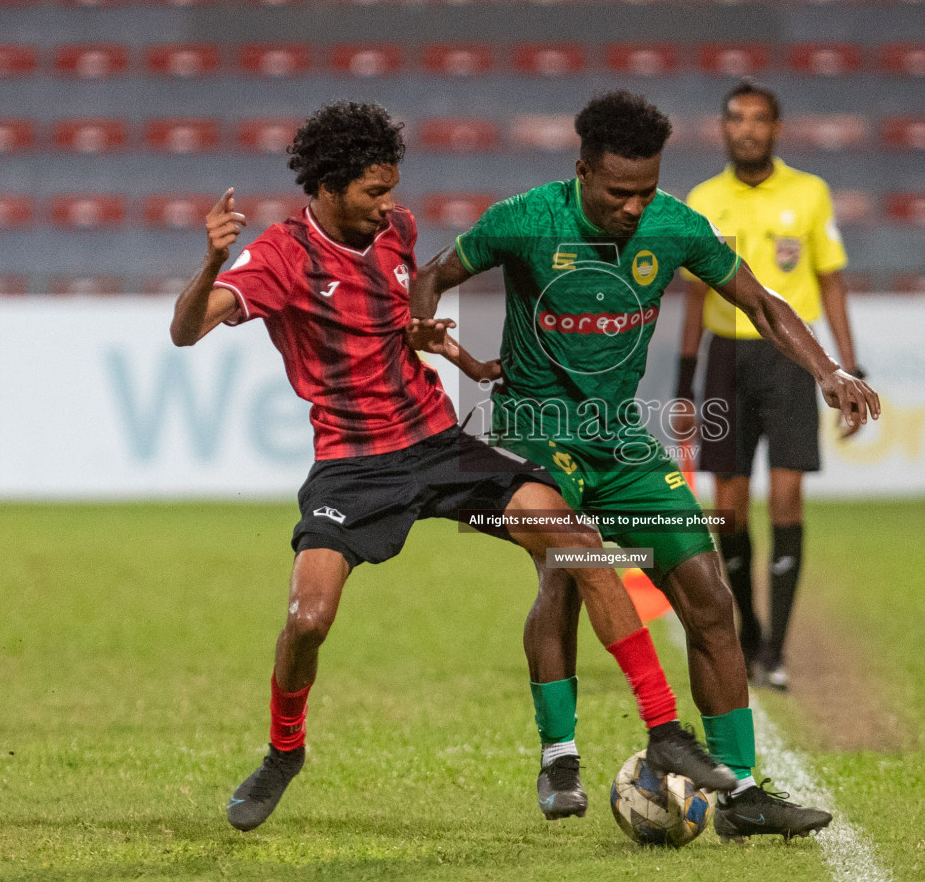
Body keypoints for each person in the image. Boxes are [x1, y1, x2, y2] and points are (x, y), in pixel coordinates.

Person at [169, 101, 736, 832]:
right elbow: (186, 332)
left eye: (392, 190)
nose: (391, 207)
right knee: (308, 619)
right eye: (375, 193)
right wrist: (213, 257)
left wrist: (456, 354)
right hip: (354, 464)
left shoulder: (397, 233)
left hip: (438, 442)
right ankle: (285, 753)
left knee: (578, 543)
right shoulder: (281, 257)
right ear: (331, 186)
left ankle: (664, 729)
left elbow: (401, 327)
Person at [411, 90, 880, 840]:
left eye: (646, 190)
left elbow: (760, 302)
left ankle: (742, 792)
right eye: (618, 192)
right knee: (567, 571)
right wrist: (421, 320)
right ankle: (559, 754)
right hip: (537, 429)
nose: (634, 207)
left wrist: (828, 371)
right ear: (582, 172)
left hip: (623, 437)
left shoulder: (674, 224)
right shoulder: (526, 219)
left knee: (709, 596)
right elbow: (433, 272)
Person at [677, 81, 864, 692]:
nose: (749, 129)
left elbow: (830, 280)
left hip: (789, 360)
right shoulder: (702, 199)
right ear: (723, 128)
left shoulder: (808, 193)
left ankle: (776, 651)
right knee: (727, 508)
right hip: (724, 360)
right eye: (737, 118)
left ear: (776, 128)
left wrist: (847, 367)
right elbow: (695, 292)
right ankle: (751, 633)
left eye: (760, 119)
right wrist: (684, 381)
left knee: (786, 499)